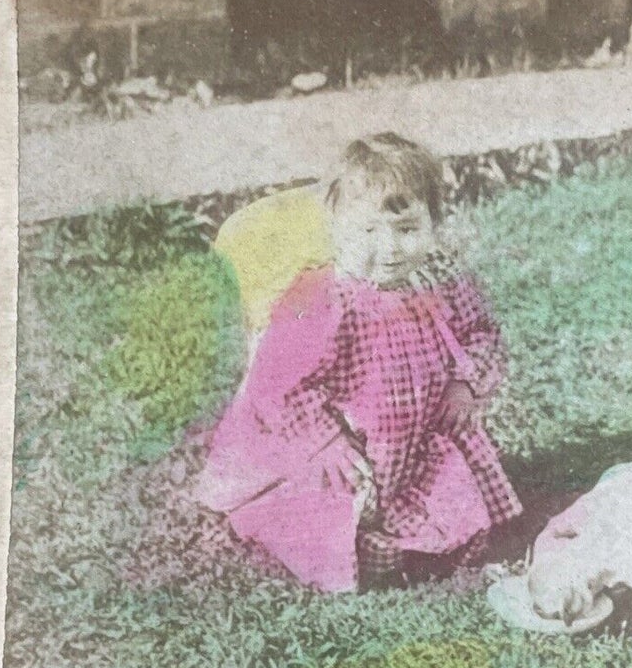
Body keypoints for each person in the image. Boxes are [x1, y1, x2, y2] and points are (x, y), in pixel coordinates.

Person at [196, 133, 521, 591]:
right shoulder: (324, 297)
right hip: (350, 449)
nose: (389, 248)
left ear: (433, 222)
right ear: (338, 226)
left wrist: (465, 384)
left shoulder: (440, 279)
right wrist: (327, 440)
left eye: (407, 229)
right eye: (368, 231)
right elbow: (277, 385)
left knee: (461, 524)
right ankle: (362, 538)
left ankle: (417, 533)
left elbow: (483, 334)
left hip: (420, 439)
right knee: (341, 528)